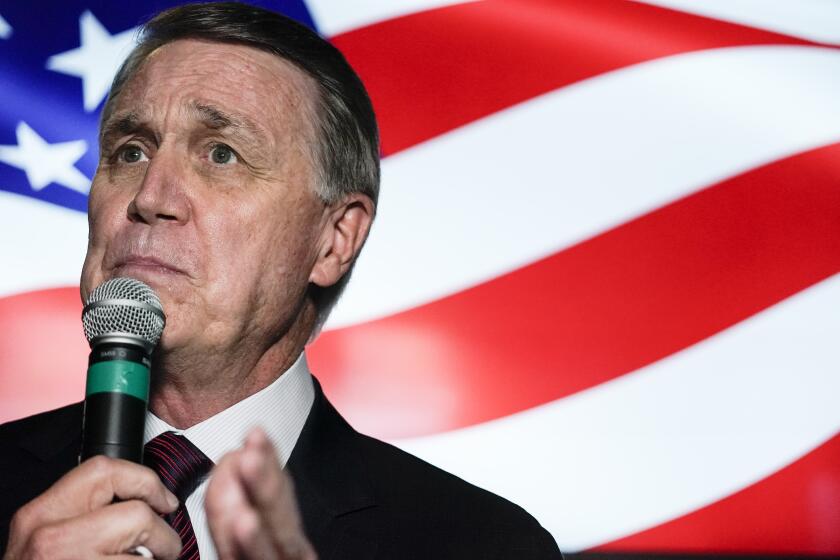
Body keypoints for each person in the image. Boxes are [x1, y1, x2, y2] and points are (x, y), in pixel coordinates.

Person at [0, 3, 561, 559]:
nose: (150, 198)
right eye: (130, 151)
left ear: (334, 239)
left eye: (222, 155)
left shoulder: (478, 543)